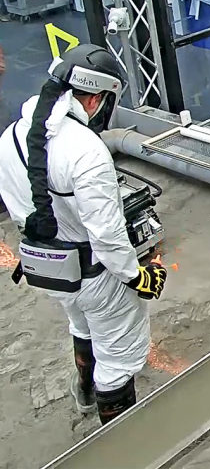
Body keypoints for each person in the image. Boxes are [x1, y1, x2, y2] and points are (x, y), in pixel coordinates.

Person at [0, 44, 168, 424]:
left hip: (46, 268)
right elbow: (107, 236)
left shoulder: (12, 135)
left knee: (81, 324)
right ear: (94, 97)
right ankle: (119, 440)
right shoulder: (86, 150)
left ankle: (86, 394)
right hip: (95, 275)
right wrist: (136, 276)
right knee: (118, 357)